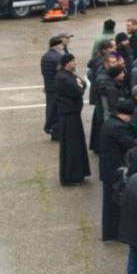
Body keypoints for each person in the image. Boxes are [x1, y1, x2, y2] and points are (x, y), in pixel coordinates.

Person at [98, 100, 137, 241]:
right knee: (117, 203)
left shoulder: (110, 123)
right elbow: (129, 144)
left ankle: (110, 232)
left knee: (111, 203)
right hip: (115, 170)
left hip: (108, 168)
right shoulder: (119, 127)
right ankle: (117, 233)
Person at [55, 53, 91, 185]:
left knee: (76, 145)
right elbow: (78, 91)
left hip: (73, 114)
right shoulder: (63, 78)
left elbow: (82, 84)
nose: (76, 63)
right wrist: (79, 86)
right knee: (72, 146)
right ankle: (72, 175)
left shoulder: (67, 75)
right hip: (69, 115)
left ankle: (78, 173)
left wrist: (79, 85)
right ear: (67, 63)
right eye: (73, 61)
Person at [41, 34, 70, 139]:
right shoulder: (58, 57)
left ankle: (52, 129)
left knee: (51, 110)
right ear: (57, 45)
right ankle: (56, 132)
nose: (63, 47)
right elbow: (63, 72)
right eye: (62, 45)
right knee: (57, 111)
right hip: (57, 88)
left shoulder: (45, 56)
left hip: (49, 87)